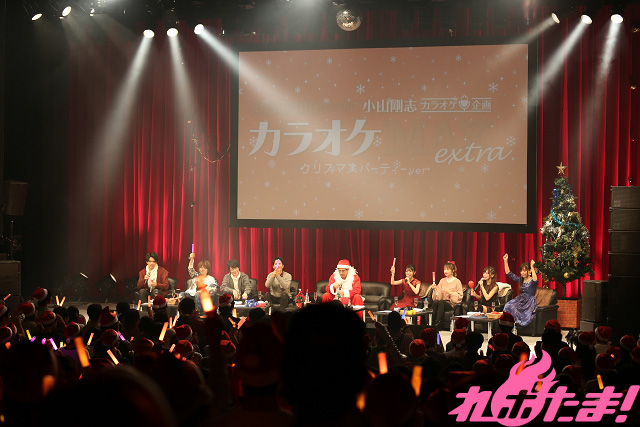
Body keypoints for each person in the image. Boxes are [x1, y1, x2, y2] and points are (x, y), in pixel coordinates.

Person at [502, 254, 538, 327]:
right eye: (521, 271)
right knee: (508, 305)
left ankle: (517, 324)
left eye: (524, 271)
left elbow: (535, 280)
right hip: (521, 299)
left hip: (529, 302)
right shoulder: (521, 280)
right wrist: (505, 261)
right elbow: (509, 273)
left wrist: (532, 267)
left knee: (523, 314)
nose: (522, 273)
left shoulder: (532, 281)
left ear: (529, 271)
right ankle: (510, 325)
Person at [429, 261, 463, 331]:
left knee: (441, 302)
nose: (445, 271)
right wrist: (435, 289)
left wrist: (450, 293)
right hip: (441, 301)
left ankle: (438, 323)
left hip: (450, 303)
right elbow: (438, 296)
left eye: (448, 269)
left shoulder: (457, 281)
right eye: (444, 269)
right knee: (436, 302)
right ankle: (431, 323)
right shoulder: (442, 280)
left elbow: (460, 296)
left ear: (453, 270)